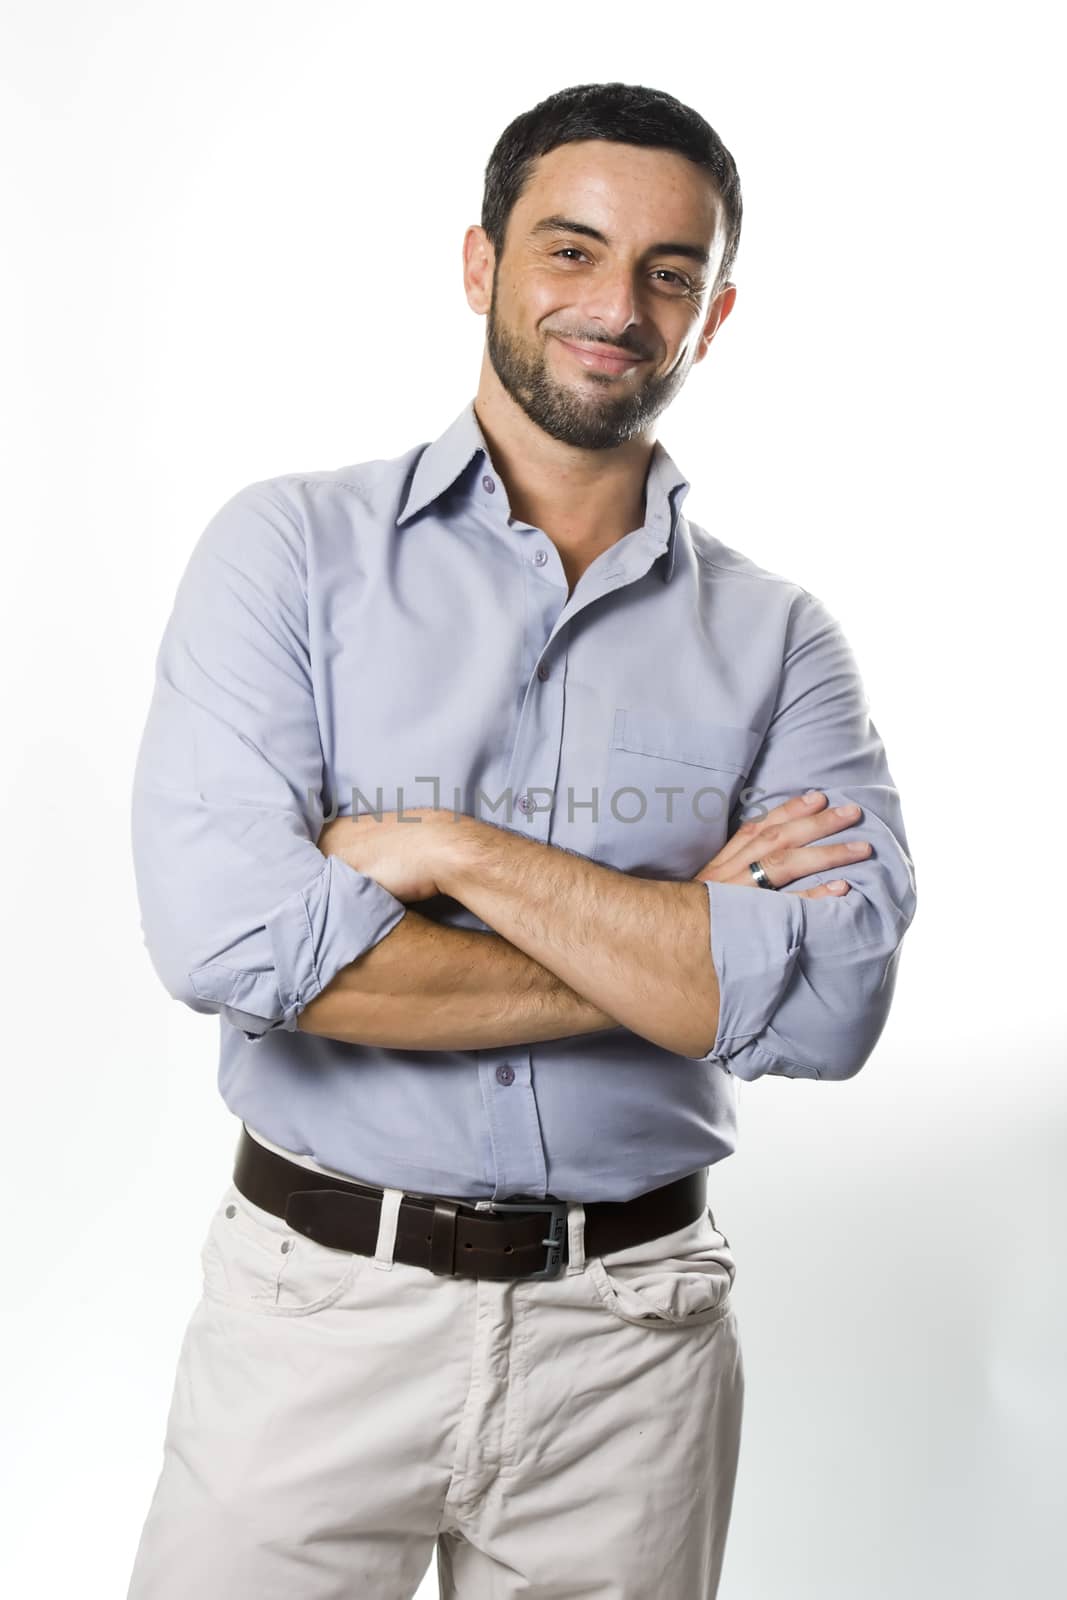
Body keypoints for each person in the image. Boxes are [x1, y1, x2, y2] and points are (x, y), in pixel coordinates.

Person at [125, 80, 917, 1600]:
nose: (617, 306)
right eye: (571, 251)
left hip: (634, 1347)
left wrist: (454, 853)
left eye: (669, 272)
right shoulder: (288, 553)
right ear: (482, 265)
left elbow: (828, 1007)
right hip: (314, 1318)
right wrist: (681, 943)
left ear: (714, 313)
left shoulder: (780, 641)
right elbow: (235, 943)